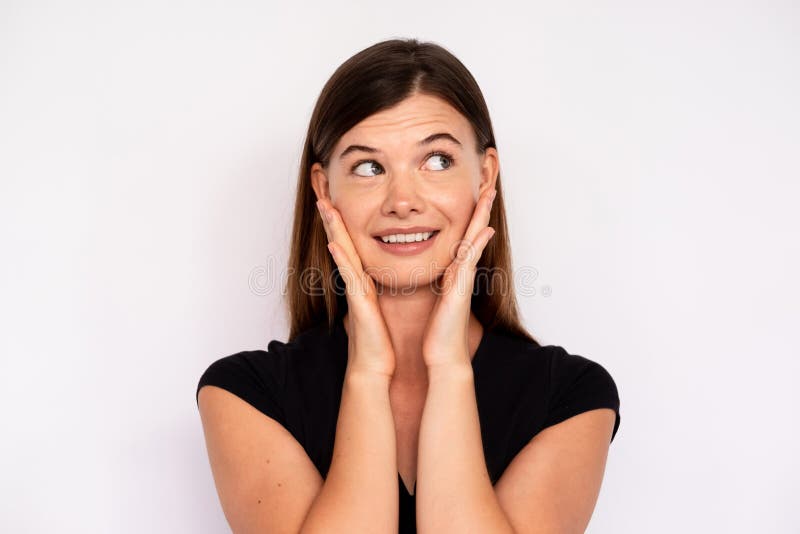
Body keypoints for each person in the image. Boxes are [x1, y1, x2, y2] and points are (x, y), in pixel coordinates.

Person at [196, 38, 621, 533]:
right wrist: (369, 372)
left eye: (437, 160)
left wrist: (448, 367)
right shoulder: (245, 395)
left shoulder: (570, 398)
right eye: (368, 167)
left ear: (485, 178)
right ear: (322, 188)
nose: (403, 200)